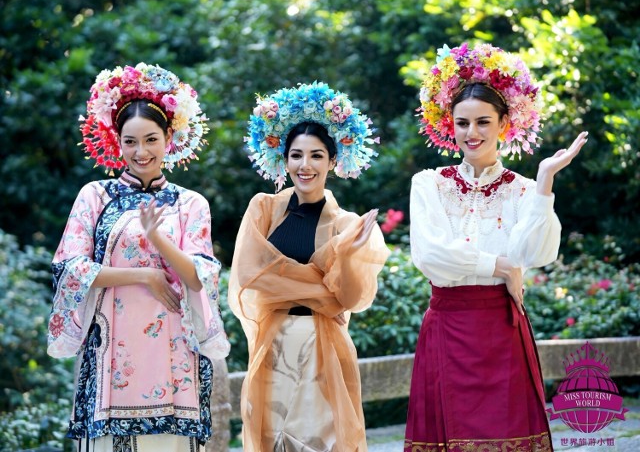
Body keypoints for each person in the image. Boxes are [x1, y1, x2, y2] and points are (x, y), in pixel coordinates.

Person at [404, 43, 588, 451]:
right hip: (447, 327)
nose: (472, 133)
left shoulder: (524, 190)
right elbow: (430, 258)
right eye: (462, 123)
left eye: (483, 122)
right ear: (449, 125)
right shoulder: (428, 183)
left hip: (501, 330)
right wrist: (501, 265)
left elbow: (535, 254)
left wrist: (544, 181)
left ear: (505, 123)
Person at [47, 63, 230, 451]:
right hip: (109, 356)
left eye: (150, 139)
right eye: (130, 142)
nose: (140, 152)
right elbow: (71, 268)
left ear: (169, 137)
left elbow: (199, 277)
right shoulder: (95, 196)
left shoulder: (189, 203)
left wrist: (157, 241)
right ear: (118, 143)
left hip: (174, 356)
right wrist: (144, 276)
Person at [228, 82, 390, 451]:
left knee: (322, 441)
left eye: (317, 156)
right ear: (283, 160)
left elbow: (348, 299)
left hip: (324, 347)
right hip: (275, 344)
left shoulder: (348, 225)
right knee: (273, 439)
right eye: (296, 155)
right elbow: (251, 278)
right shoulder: (264, 211)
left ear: (333, 161)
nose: (306, 165)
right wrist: (321, 288)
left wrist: (347, 256)